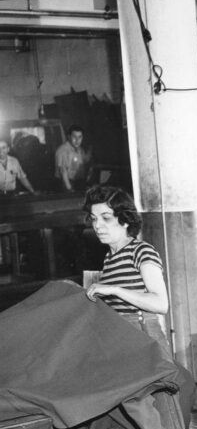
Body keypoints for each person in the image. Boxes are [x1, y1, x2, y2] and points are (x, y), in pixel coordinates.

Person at [83, 186, 171, 356]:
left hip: (143, 338)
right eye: (94, 219)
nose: (97, 226)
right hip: (120, 337)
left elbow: (160, 304)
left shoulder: (141, 251)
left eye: (106, 218)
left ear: (125, 220)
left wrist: (114, 290)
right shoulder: (109, 258)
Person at [55, 125, 92, 192]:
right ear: (69, 137)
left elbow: (84, 161)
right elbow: (63, 171)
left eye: (80, 137)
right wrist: (69, 189)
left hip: (78, 183)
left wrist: (90, 151)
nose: (77, 140)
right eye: (74, 137)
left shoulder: (80, 149)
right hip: (66, 183)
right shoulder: (63, 150)